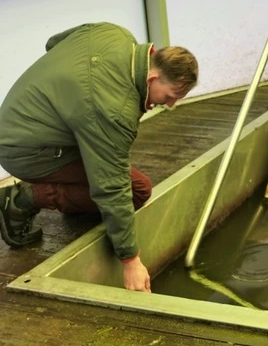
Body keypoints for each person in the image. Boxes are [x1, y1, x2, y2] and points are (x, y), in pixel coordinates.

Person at [0, 22, 198, 291]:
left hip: (16, 122)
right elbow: (111, 186)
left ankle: (72, 201)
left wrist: (65, 98)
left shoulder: (113, 33)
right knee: (137, 190)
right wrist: (130, 260)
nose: (171, 105)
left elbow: (53, 43)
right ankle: (21, 200)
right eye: (171, 96)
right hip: (24, 151)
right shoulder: (115, 111)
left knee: (109, 172)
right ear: (152, 78)